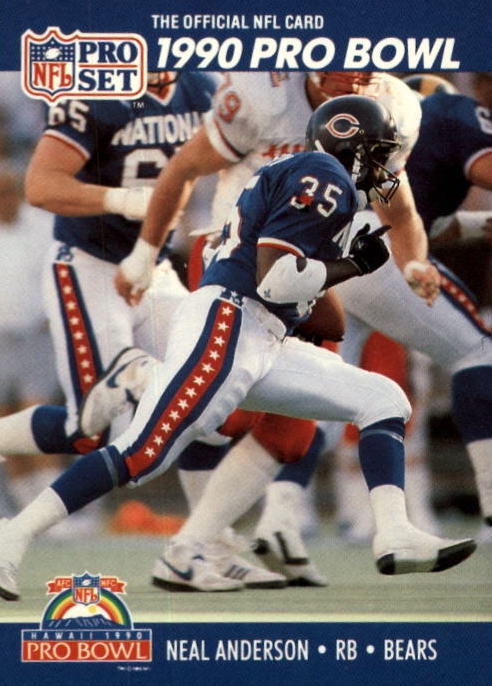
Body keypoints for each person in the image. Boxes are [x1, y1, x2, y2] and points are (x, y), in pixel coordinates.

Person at [0, 95, 477, 601]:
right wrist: (351, 266)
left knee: (383, 399)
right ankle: (13, 536)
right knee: (142, 454)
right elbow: (275, 279)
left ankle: (395, 533)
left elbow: (311, 304)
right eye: (377, 152)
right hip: (230, 322)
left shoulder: (314, 177)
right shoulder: (323, 174)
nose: (384, 166)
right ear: (348, 142)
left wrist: (337, 275)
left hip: (261, 334)